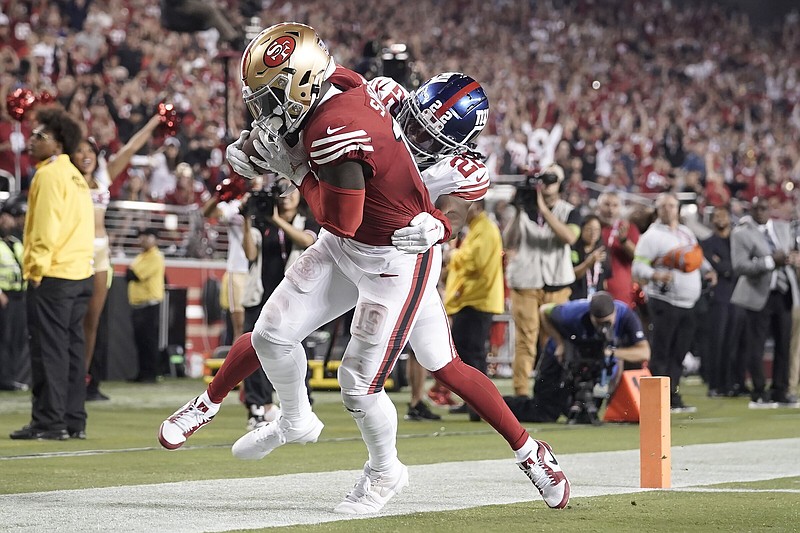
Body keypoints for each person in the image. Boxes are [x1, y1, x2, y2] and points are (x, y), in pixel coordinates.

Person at [158, 23, 569, 513]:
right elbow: (335, 85)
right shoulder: (383, 97)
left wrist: (439, 227)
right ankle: (274, 415)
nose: (413, 137)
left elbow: (456, 209)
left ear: (454, 145)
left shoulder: (459, 165)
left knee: (402, 375)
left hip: (396, 262)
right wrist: (260, 144)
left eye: (427, 137)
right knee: (271, 331)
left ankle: (500, 458)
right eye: (413, 123)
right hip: (342, 244)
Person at [10, 107, 94, 441]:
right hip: (79, 274)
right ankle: (74, 420)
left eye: (39, 136)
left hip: (54, 275)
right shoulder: (76, 175)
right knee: (72, 351)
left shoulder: (47, 174)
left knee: (48, 350)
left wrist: (35, 270)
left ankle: (49, 421)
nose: (30, 140)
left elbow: (45, 229)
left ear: (58, 143)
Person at [71, 113, 162, 401]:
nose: (85, 156)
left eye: (90, 151)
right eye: (79, 151)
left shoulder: (102, 178)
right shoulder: (67, 180)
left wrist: (155, 122)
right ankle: (68, 377)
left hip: (101, 253)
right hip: (76, 250)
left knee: (92, 322)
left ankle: (82, 382)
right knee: (70, 319)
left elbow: (131, 149)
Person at [239, 177, 319, 428]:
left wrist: (275, 219)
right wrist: (246, 219)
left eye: (292, 190)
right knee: (253, 348)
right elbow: (250, 254)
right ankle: (258, 406)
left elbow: (307, 242)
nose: (287, 195)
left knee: (295, 349)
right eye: (282, 191)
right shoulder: (262, 221)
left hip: (293, 297)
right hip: (262, 293)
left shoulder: (308, 220)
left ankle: (299, 405)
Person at [505, 291, 650, 423]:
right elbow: (544, 311)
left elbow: (644, 352)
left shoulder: (626, 315)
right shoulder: (574, 312)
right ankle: (496, 406)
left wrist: (612, 353)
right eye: (598, 323)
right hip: (562, 357)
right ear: (591, 315)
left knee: (582, 414)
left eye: (607, 322)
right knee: (543, 412)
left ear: (615, 313)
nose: (603, 328)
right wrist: (559, 342)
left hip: (591, 364)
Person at [632, 192, 717, 413]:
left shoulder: (686, 232)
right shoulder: (651, 236)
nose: (668, 209)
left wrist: (709, 270)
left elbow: (698, 257)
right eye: (664, 206)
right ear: (657, 209)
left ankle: (673, 397)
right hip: (664, 300)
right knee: (662, 352)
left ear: (678, 208)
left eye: (672, 205)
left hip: (688, 303)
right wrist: (656, 275)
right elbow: (637, 267)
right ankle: (656, 402)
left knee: (679, 353)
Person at [503, 163, 581, 397]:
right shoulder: (524, 209)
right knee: (526, 339)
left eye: (552, 180)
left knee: (553, 341)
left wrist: (543, 210)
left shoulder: (570, 211)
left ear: (561, 185)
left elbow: (569, 237)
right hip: (525, 282)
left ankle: (549, 390)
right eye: (543, 180)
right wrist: (519, 209)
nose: (546, 185)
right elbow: (508, 241)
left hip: (557, 284)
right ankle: (522, 393)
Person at [730, 197, 800, 407]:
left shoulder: (782, 227)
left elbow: (790, 254)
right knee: (756, 345)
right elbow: (740, 266)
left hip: (784, 292)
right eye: (757, 208)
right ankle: (759, 391)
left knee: (784, 344)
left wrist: (792, 259)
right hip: (758, 294)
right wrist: (771, 261)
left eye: (764, 207)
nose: (761, 211)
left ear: (770, 209)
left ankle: (780, 390)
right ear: (751, 210)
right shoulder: (741, 232)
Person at [443, 199, 505, 421]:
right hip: (471, 299)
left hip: (477, 301)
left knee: (473, 355)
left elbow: (475, 261)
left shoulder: (486, 229)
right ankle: (473, 402)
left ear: (476, 207)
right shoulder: (479, 228)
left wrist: (453, 256)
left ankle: (480, 406)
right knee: (468, 355)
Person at [700, 205, 745, 397]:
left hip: (738, 296)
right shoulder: (707, 242)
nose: (720, 219)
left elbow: (736, 266)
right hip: (718, 297)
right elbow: (715, 264)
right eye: (716, 216)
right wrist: (727, 267)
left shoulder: (737, 241)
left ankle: (732, 383)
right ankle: (714, 384)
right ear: (712, 220)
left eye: (723, 215)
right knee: (716, 341)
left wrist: (723, 266)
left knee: (734, 342)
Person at [202, 176, 250, 344]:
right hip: (238, 268)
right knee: (240, 327)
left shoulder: (265, 202)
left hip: (260, 268)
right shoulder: (233, 206)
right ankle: (242, 368)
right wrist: (219, 195)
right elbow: (207, 213)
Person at [125, 228, 165, 383]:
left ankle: (151, 373)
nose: (143, 239)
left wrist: (131, 273)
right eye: (142, 236)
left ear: (155, 239)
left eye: (148, 236)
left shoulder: (156, 256)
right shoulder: (141, 257)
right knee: (140, 341)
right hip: (138, 305)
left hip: (149, 305)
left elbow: (133, 275)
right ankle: (143, 373)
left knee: (149, 341)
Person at [0, 200, 27, 391]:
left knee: (16, 338)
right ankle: (3, 378)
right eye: (7, 217)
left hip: (19, 296)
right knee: (3, 339)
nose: (10, 222)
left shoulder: (16, 243)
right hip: (3, 296)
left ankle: (10, 376)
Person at [596, 191, 639, 306]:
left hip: (619, 291)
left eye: (615, 205)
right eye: (607, 204)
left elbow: (638, 256)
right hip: (592, 286)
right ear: (598, 206)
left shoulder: (628, 228)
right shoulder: (591, 226)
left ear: (620, 208)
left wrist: (624, 241)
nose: (610, 210)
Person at [570, 214, 611, 300]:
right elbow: (571, 275)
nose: (593, 233)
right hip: (576, 298)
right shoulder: (573, 250)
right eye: (589, 229)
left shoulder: (603, 251)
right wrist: (588, 263)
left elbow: (605, 279)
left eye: (597, 230)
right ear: (582, 229)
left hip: (597, 301)